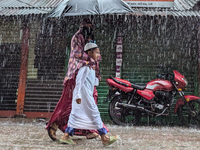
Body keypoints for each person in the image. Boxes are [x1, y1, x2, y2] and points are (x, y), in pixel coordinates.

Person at [45, 18, 108, 140]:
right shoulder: (77, 37)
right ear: (83, 26)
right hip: (77, 73)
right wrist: (91, 56)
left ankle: (87, 130)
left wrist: (96, 70)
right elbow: (77, 54)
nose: (91, 27)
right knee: (69, 103)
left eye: (92, 25)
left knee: (92, 100)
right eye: (88, 25)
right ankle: (55, 124)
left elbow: (96, 57)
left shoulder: (90, 38)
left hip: (90, 75)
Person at [60, 43, 119, 146]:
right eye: (96, 52)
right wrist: (78, 96)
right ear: (89, 53)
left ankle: (66, 136)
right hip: (83, 96)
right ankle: (104, 138)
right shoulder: (85, 67)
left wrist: (96, 79)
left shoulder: (91, 67)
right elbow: (79, 82)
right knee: (94, 114)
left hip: (86, 95)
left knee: (75, 116)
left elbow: (91, 82)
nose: (98, 55)